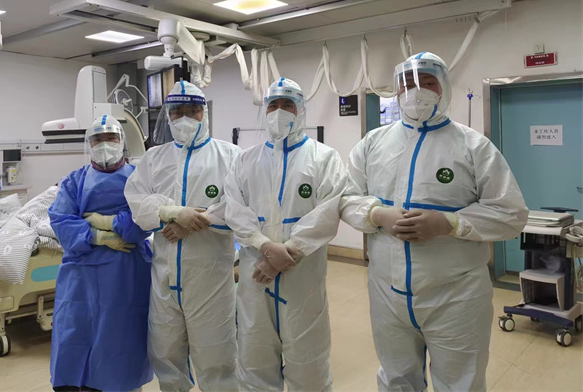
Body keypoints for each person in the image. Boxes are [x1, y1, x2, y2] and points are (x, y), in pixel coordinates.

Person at [341, 52, 528, 392]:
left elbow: (511, 213)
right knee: (396, 379)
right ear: (397, 91)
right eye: (407, 85)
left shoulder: (473, 146)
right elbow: (345, 196)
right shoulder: (373, 143)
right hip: (386, 292)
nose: (416, 91)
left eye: (427, 83)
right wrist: (377, 214)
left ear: (443, 88)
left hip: (456, 296)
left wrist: (449, 223)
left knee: (459, 383)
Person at [223, 77, 347, 392]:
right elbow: (234, 209)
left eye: (287, 105)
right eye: (273, 105)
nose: (279, 111)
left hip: (302, 277)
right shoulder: (245, 160)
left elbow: (327, 213)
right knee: (255, 360)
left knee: (308, 364)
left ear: (300, 110)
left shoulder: (324, 158)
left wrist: (286, 253)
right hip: (255, 277)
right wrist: (265, 245)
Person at [124, 80, 239, 392]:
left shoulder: (230, 156)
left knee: (217, 356)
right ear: (169, 116)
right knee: (165, 352)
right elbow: (137, 203)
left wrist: (193, 221)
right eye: (177, 112)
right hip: (164, 277)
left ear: (204, 114)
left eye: (192, 111)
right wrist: (171, 212)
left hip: (210, 277)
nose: (184, 118)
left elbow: (239, 206)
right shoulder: (154, 158)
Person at [49, 115, 153, 392]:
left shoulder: (138, 179)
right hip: (81, 271)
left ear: (121, 142)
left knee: (121, 335)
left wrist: (104, 221)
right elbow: (61, 220)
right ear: (89, 144)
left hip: (127, 271)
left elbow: (143, 221)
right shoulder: (74, 181)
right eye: (97, 139)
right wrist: (99, 236)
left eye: (111, 138)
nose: (104, 145)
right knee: (75, 329)